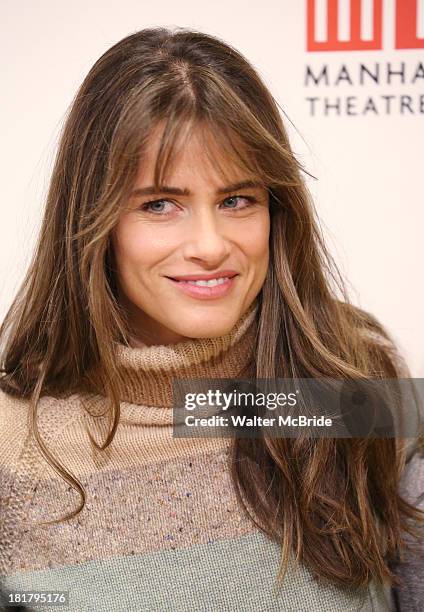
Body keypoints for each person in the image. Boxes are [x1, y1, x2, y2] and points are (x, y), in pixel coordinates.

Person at [0, 26, 423, 612]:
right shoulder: (14, 442)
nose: (210, 244)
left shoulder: (357, 374)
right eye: (159, 204)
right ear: (93, 221)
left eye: (236, 200)